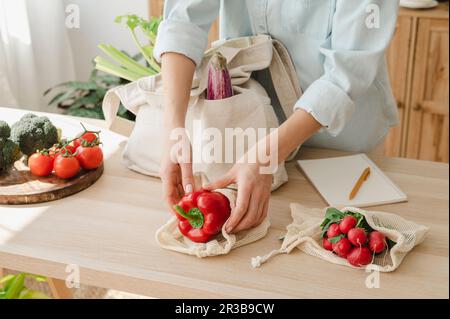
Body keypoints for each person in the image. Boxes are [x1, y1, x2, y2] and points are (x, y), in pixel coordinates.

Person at [153, 0, 399, 234]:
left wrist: (268, 155)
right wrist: (173, 126)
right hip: (247, 137)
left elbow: (349, 68)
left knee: (339, 246)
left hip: (338, 146)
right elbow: (183, 23)